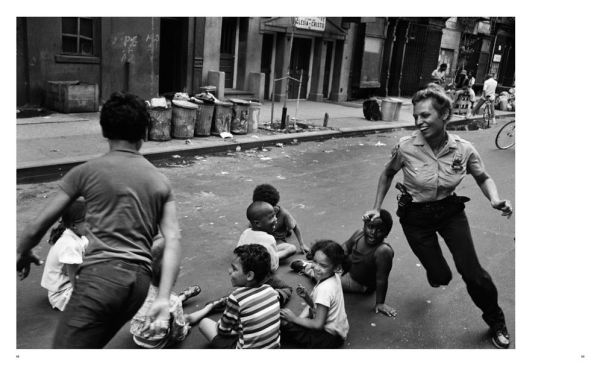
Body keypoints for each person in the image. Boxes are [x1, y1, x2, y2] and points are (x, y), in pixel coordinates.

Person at [17, 91, 182, 348]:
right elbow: (172, 240)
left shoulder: (85, 172)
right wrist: (161, 296)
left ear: (104, 131)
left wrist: (23, 250)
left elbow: (36, 227)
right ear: (144, 133)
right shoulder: (161, 181)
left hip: (102, 278)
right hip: (138, 285)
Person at [364, 85, 513, 349]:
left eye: (425, 116)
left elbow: (483, 177)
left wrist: (494, 199)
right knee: (442, 277)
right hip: (415, 217)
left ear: (444, 115)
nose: (419, 122)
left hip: (449, 212)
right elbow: (387, 174)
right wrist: (376, 207)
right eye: (416, 117)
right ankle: (436, 271)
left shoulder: (463, 149)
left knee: (474, 274)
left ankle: (496, 321)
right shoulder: (405, 147)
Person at [290, 210, 397, 317]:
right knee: (331, 260)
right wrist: (325, 254)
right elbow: (343, 249)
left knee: (324, 277)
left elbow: (381, 279)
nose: (373, 232)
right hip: (348, 268)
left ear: (386, 233)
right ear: (365, 225)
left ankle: (307, 267)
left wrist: (380, 303)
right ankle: (318, 262)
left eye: (380, 230)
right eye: (370, 227)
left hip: (360, 283)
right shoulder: (359, 234)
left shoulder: (383, 251)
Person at [188, 244, 281, 349]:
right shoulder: (271, 291)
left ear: (249, 275)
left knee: (204, 323)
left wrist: (229, 327)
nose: (229, 271)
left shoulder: (236, 297)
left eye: (234, 269)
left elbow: (223, 331)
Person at [130, 235, 201, 349]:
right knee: (186, 318)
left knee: (166, 303)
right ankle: (211, 306)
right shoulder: (173, 301)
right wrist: (184, 332)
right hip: (156, 345)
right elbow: (178, 331)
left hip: (137, 336)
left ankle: (183, 296)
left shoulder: (137, 288)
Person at [280, 240, 349, 348]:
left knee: (284, 324)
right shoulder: (334, 276)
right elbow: (317, 306)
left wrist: (294, 319)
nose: (316, 267)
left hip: (327, 339)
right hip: (339, 329)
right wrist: (306, 297)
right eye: (315, 262)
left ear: (336, 267)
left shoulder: (324, 289)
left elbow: (318, 324)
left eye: (323, 265)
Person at [237, 201, 292, 305]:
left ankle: (227, 300)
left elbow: (238, 252)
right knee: (287, 288)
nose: (275, 219)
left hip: (244, 274)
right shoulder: (269, 239)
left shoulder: (246, 232)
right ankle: (271, 299)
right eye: (271, 217)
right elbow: (272, 267)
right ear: (258, 223)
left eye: (275, 216)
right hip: (260, 278)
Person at [40, 198, 88, 311]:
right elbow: (73, 277)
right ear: (74, 225)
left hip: (69, 285)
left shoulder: (79, 236)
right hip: (61, 294)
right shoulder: (70, 244)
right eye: (89, 221)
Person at [252, 183, 310, 259]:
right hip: (263, 240)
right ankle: (266, 257)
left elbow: (295, 226)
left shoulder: (283, 213)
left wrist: (302, 244)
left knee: (291, 248)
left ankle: (270, 259)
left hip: (277, 241)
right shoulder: (257, 212)